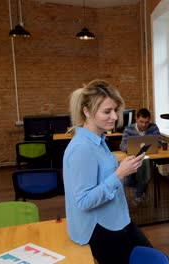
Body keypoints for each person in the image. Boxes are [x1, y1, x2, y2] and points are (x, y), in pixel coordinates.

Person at [63, 79, 152, 264]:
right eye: (107, 111)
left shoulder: (99, 141)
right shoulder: (82, 148)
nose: (114, 117)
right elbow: (84, 201)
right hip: (100, 228)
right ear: (86, 112)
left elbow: (101, 172)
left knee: (150, 257)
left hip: (117, 219)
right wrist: (119, 174)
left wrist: (121, 166)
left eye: (115, 110)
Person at [120, 108, 161, 206]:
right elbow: (122, 145)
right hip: (133, 159)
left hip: (147, 159)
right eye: (141, 121)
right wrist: (131, 148)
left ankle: (138, 196)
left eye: (146, 122)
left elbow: (159, 142)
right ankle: (143, 189)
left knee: (144, 176)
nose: (143, 125)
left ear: (149, 120)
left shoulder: (153, 127)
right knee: (126, 182)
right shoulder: (128, 129)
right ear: (136, 119)